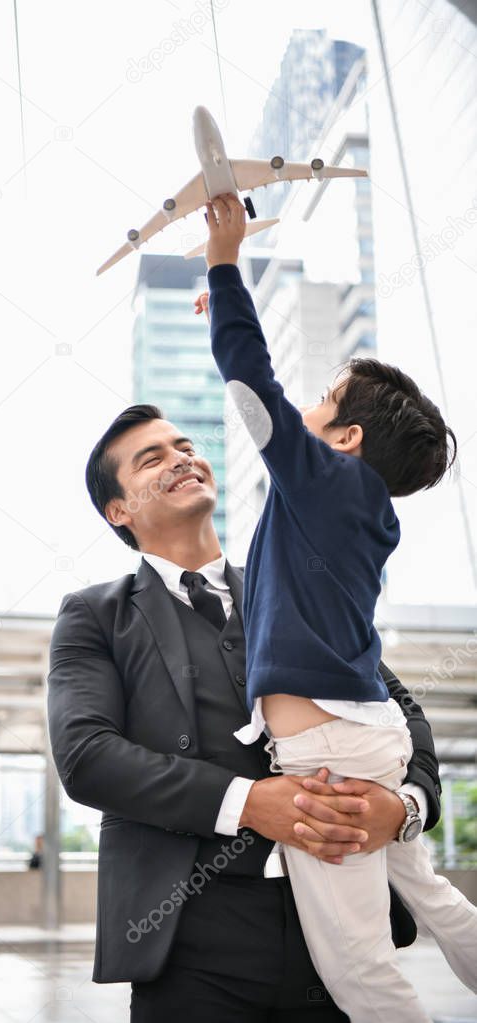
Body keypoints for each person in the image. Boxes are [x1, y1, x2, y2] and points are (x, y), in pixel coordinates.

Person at [48, 402, 442, 1020]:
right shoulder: (95, 615)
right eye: (152, 459)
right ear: (118, 511)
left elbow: (399, 710)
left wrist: (405, 808)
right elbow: (87, 757)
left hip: (338, 927)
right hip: (191, 942)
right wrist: (252, 803)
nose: (181, 457)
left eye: (183, 446)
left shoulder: (294, 582)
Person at [197, 191, 477, 1022]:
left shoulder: (330, 481)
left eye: (325, 395)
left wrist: (225, 260)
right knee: (431, 900)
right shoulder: (352, 505)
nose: (306, 405)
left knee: (357, 968)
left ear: (347, 437)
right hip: (361, 736)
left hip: (332, 749)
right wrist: (228, 300)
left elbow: (251, 389)